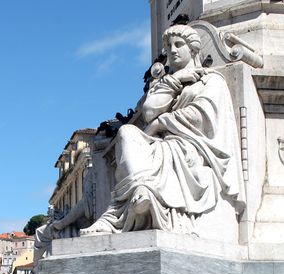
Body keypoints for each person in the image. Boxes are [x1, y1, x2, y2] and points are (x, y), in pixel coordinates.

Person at [81, 24, 245, 239]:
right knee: (127, 132)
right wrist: (175, 81)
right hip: (164, 142)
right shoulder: (168, 82)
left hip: (195, 145)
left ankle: (130, 205)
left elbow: (201, 117)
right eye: (168, 47)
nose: (173, 50)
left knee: (158, 149)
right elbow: (149, 111)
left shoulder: (211, 80)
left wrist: (161, 123)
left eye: (179, 45)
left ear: (194, 49)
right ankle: (134, 198)